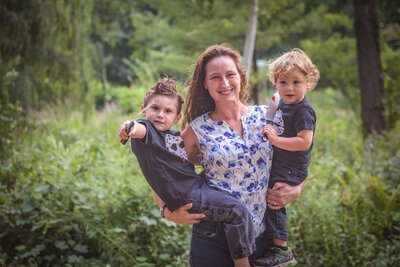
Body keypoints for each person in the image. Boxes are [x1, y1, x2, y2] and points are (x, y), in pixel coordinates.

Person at [119, 44, 304, 267]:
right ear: (205, 84)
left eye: (230, 75)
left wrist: (296, 187)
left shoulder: (267, 116)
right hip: (212, 240)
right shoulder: (198, 129)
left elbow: (298, 154)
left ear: (241, 77)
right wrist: (165, 211)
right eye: (215, 77)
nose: (224, 83)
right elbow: (161, 166)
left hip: (264, 240)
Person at [120, 77, 256, 267]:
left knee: (225, 188)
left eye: (168, 111)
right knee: (237, 211)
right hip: (186, 194)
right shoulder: (149, 134)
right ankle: (243, 263)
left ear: (177, 118)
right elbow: (139, 129)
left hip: (194, 183)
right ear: (144, 109)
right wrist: (129, 127)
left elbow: (183, 161)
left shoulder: (172, 136)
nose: (160, 115)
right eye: (155, 108)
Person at [255, 48, 320, 267]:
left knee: (274, 198)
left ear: (308, 82)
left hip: (293, 167)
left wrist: (276, 141)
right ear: (275, 82)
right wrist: (267, 123)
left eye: (296, 82)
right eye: (283, 82)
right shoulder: (280, 99)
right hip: (282, 161)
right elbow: (273, 106)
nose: (289, 88)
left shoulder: (303, 111)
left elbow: (304, 141)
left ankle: (281, 249)